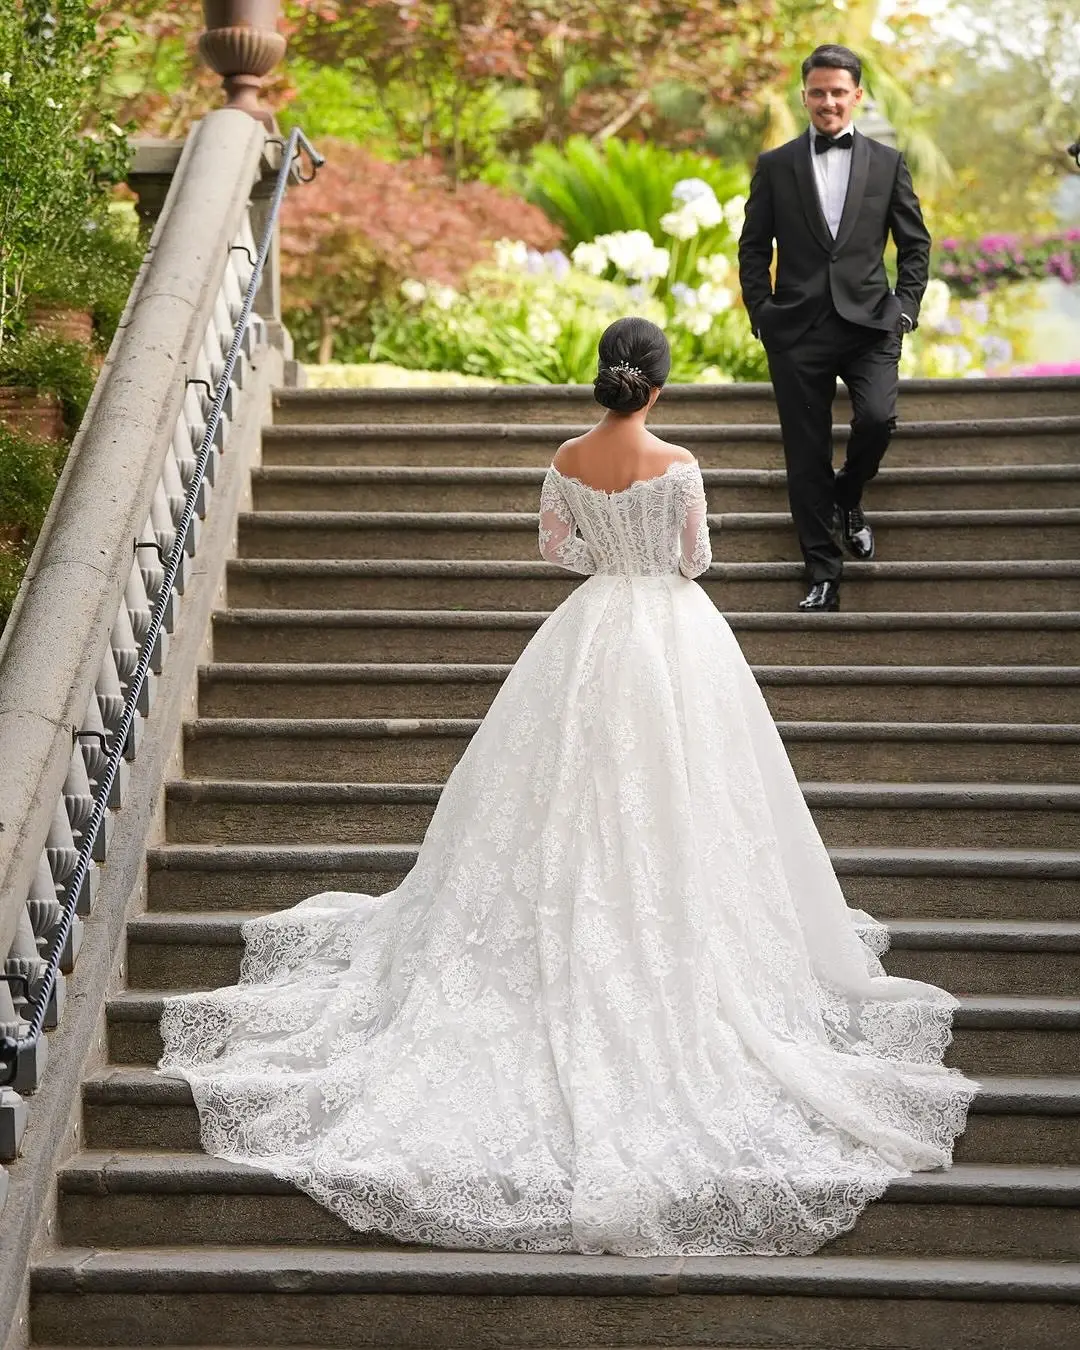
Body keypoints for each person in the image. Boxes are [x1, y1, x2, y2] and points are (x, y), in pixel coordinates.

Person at [160, 317, 974, 1257]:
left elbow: (556, 548)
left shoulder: (567, 455)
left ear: (605, 381)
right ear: (658, 387)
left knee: (561, 793)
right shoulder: (679, 462)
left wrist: (603, 558)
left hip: (587, 635)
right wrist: (650, 564)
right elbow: (696, 560)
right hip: (672, 637)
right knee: (683, 790)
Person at [738, 44, 932, 612]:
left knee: (876, 418)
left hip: (870, 323)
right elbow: (753, 248)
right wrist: (762, 313)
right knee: (805, 454)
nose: (828, 102)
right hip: (796, 330)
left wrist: (905, 307)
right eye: (818, 92)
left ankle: (849, 491)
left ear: (857, 97)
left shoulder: (888, 162)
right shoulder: (774, 166)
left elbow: (914, 244)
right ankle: (823, 571)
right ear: (804, 95)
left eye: (838, 92)